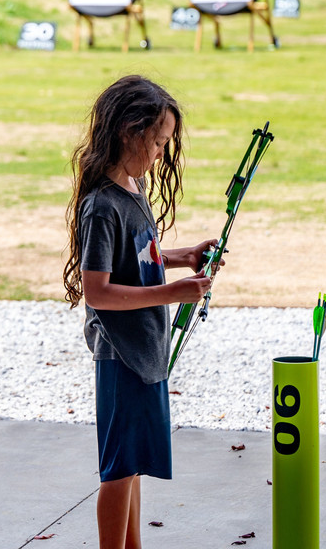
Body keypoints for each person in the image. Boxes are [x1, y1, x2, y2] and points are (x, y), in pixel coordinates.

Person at [62, 75, 219, 549]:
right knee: (118, 470)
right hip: (121, 352)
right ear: (129, 132)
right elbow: (98, 291)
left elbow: (136, 256)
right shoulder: (102, 206)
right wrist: (174, 293)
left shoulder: (133, 185)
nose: (160, 153)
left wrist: (183, 257)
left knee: (131, 466)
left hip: (144, 349)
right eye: (157, 142)